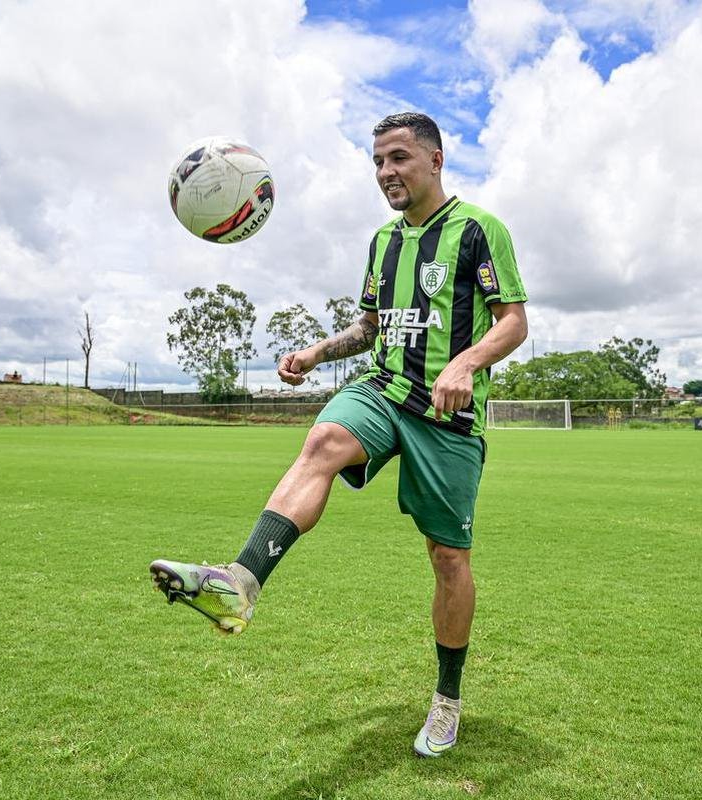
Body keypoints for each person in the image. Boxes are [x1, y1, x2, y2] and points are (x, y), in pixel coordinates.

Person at [150, 112, 528, 758]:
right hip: (384, 389)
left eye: (398, 158)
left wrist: (466, 363)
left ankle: (447, 697)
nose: (386, 172)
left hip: (448, 417)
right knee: (323, 440)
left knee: (448, 560)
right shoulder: (383, 243)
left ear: (436, 160)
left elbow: (513, 321)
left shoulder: (477, 230)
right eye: (378, 161)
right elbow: (370, 328)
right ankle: (239, 583)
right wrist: (316, 352)